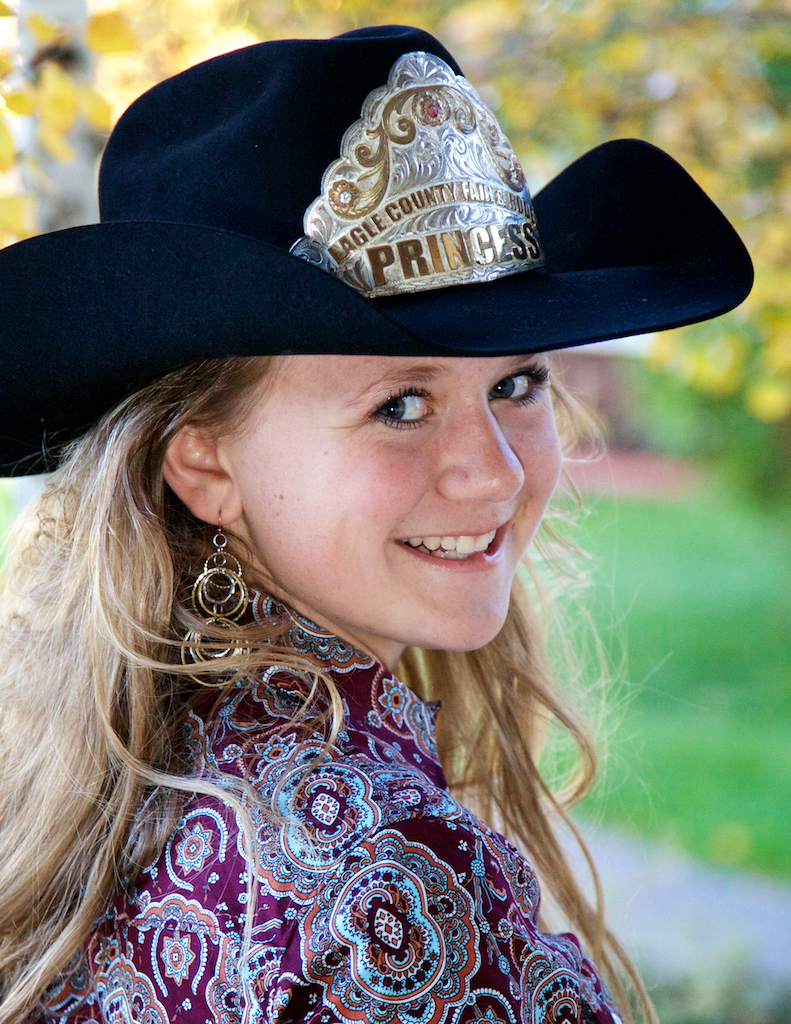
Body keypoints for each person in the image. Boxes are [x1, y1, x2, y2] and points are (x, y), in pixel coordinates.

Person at [0, 24, 751, 1024]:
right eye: (400, 403)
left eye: (517, 382)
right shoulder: (389, 886)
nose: (492, 472)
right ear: (203, 461)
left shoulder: (110, 775)